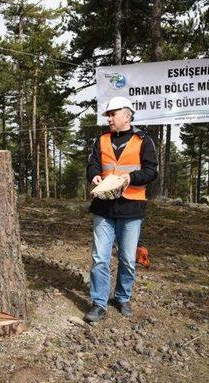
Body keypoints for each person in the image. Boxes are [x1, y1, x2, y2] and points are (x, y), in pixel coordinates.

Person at [84, 96, 158, 322]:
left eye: (113, 114)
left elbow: (152, 171)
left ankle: (122, 297)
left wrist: (130, 178)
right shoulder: (101, 140)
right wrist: (94, 175)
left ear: (127, 115)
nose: (109, 118)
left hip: (132, 207)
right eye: (108, 114)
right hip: (103, 207)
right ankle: (98, 303)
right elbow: (92, 165)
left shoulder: (144, 140)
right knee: (100, 258)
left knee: (127, 258)